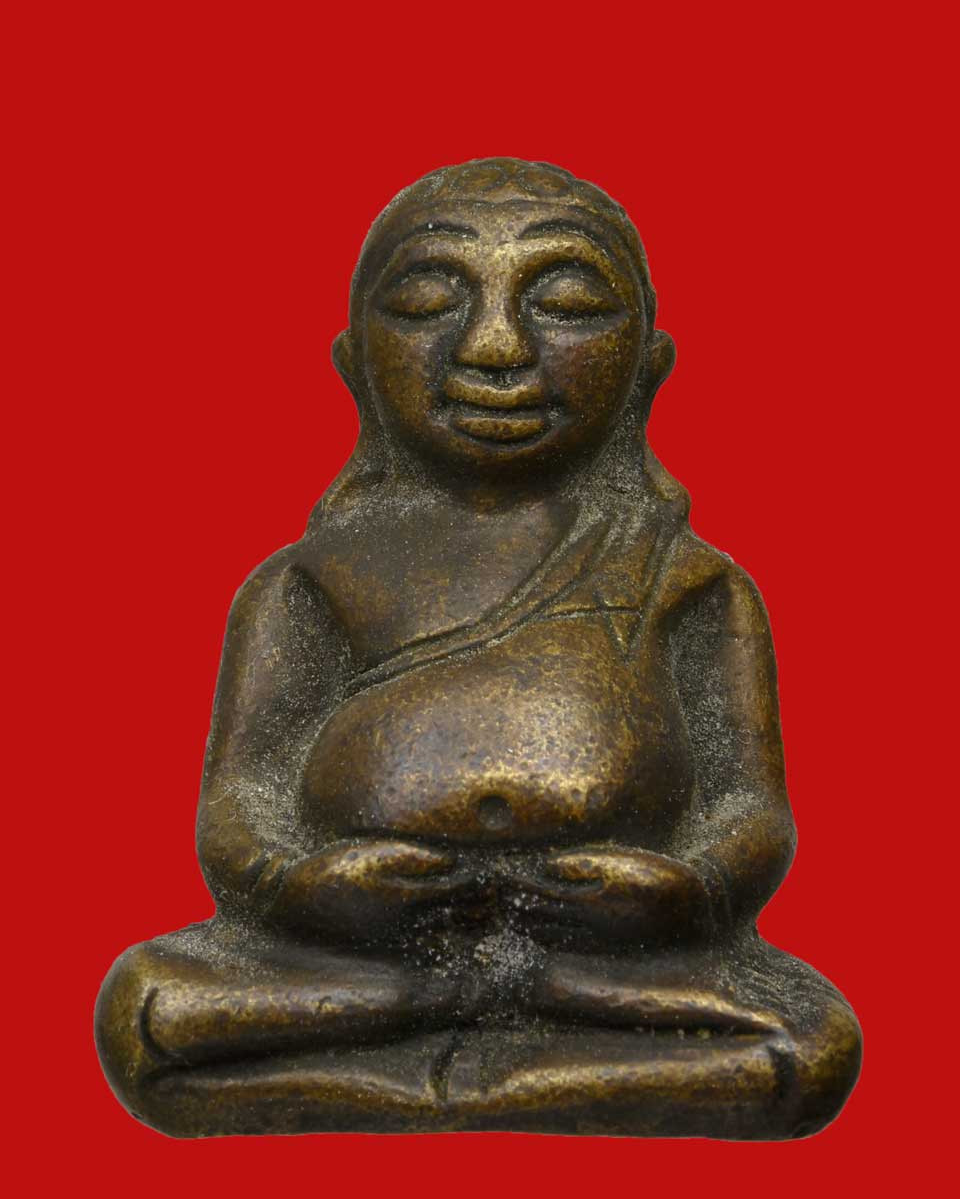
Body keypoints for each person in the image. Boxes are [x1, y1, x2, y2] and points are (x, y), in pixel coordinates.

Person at [95, 158, 861, 1138]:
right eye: (427, 303)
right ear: (355, 361)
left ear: (647, 364)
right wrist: (302, 885)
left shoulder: (689, 582)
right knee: (145, 1010)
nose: (495, 347)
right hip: (363, 957)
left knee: (812, 1042)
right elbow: (240, 803)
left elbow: (748, 808)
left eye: (568, 306)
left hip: (602, 961)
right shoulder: (309, 580)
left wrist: (688, 886)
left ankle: (437, 1080)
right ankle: (497, 1063)